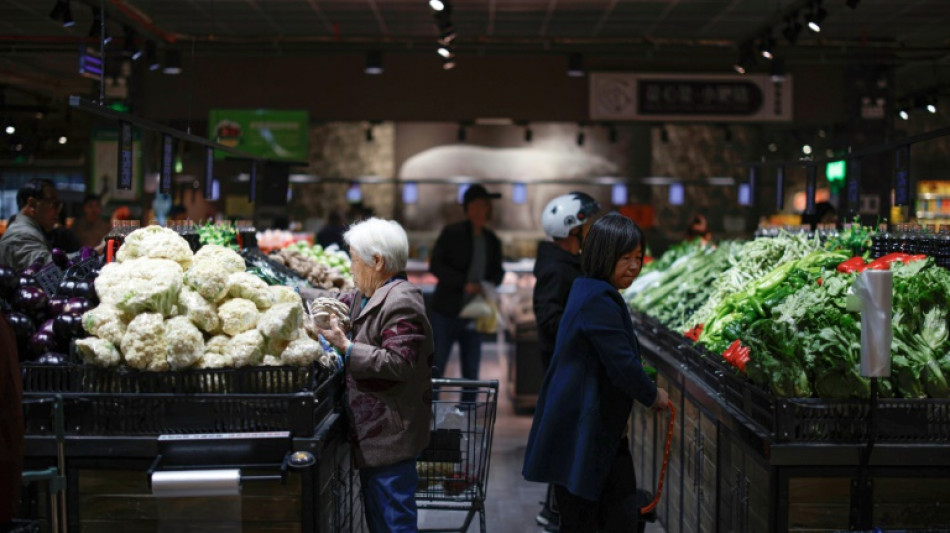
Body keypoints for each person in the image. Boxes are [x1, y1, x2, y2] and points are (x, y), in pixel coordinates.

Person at [523, 212, 670, 533]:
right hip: (582, 429)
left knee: (600, 514)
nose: (634, 266)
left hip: (583, 427)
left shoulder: (588, 288)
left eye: (638, 257)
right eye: (624, 258)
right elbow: (622, 364)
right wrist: (652, 394)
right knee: (593, 519)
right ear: (604, 256)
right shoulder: (598, 299)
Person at [310, 217, 433, 533]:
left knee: (394, 521)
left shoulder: (402, 299)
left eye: (354, 259)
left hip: (391, 436)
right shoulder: (363, 294)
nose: (351, 268)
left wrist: (347, 347)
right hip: (372, 435)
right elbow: (332, 301)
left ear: (377, 261)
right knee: (379, 520)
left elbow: (400, 362)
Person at [532, 192, 601, 530]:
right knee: (566, 442)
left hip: (568, 366)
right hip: (564, 368)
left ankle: (555, 509)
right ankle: (557, 511)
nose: (590, 233)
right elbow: (548, 320)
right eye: (586, 227)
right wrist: (584, 331)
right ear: (572, 230)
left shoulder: (566, 265)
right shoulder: (557, 271)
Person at [428, 184, 505, 388]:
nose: (480, 210)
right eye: (476, 206)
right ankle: (430, 414)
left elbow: (499, 272)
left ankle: (467, 414)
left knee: (472, 371)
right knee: (437, 367)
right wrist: (463, 284)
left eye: (484, 206)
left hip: (475, 313)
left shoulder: (492, 240)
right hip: (446, 311)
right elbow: (435, 265)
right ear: (467, 208)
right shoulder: (452, 233)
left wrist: (487, 285)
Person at [0, 179, 60, 271]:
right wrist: (86, 255)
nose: (58, 211)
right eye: (54, 204)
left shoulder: (27, 229)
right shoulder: (21, 234)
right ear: (32, 204)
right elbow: (47, 266)